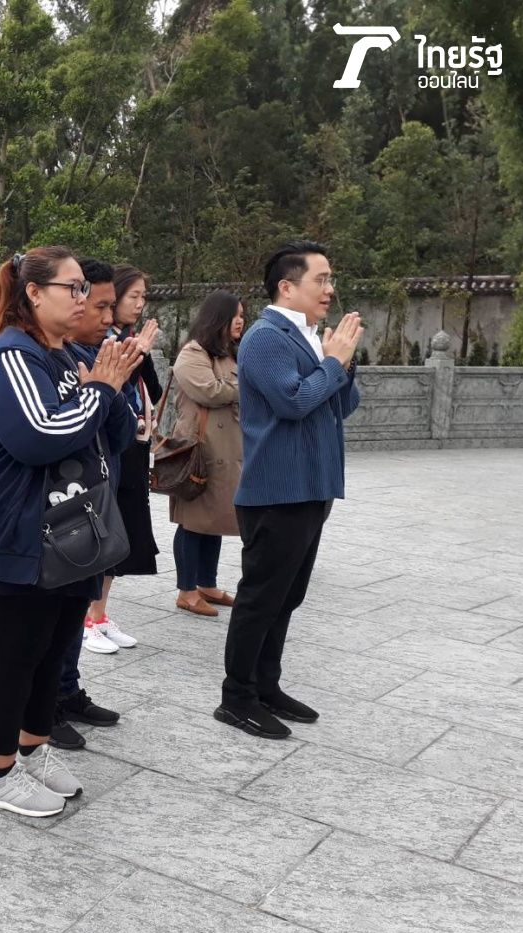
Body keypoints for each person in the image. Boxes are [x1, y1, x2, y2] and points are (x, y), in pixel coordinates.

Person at [0, 246, 143, 818]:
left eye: (86, 289)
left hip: (63, 531)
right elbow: (40, 435)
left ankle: (32, 751)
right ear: (34, 293)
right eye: (74, 288)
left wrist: (114, 383)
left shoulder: (61, 355)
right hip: (6, 532)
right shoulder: (9, 356)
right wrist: (101, 390)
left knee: (50, 650)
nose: (84, 299)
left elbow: (106, 435)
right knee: (13, 655)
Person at [216, 241, 362, 739]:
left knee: (288, 595)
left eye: (330, 278)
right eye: (320, 279)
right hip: (276, 490)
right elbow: (294, 403)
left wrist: (342, 363)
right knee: (261, 597)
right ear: (287, 285)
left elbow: (340, 406)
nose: (330, 288)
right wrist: (333, 363)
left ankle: (265, 684)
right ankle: (235, 697)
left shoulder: (309, 337)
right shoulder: (265, 337)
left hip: (311, 486)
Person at [49, 258, 138, 750]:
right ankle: (46, 704)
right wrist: (97, 390)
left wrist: (112, 384)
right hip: (62, 503)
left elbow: (123, 433)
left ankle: (67, 690)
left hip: (99, 494)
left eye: (108, 305)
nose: (106, 316)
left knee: (79, 598)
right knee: (56, 610)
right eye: (98, 304)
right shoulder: (50, 359)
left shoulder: (100, 354)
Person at [81, 265, 162, 654]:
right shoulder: (96, 343)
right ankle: (85, 618)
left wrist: (139, 354)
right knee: (98, 530)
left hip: (132, 445)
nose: (137, 305)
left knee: (118, 532)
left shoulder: (123, 339)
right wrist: (133, 355)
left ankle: (98, 614)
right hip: (108, 451)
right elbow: (104, 395)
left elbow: (155, 388)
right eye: (134, 296)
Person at [170, 292, 246, 617]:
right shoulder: (192, 354)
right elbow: (211, 392)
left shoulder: (227, 354)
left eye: (243, 315)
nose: (241, 320)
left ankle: (207, 584)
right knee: (192, 521)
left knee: (213, 518)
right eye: (235, 315)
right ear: (218, 318)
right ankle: (186, 591)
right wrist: (249, 386)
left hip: (226, 448)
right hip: (198, 450)